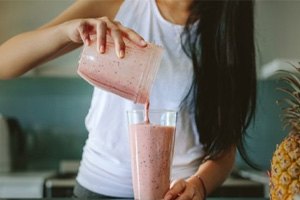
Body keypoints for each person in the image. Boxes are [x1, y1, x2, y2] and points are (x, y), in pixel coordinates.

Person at [0, 0, 257, 199]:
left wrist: (199, 184)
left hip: (175, 193)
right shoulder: (121, 4)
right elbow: (4, 63)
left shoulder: (226, 33)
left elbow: (225, 146)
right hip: (97, 189)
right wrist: (68, 31)